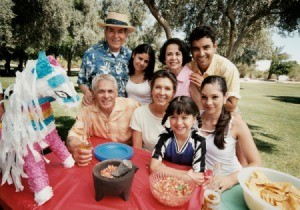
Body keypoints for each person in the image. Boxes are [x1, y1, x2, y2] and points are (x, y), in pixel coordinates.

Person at [199, 75, 262, 191]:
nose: (208, 102)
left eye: (214, 97)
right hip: (204, 184)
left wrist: (231, 179)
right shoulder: (193, 119)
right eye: (204, 97)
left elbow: (256, 163)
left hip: (231, 185)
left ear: (225, 97)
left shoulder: (236, 124)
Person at [67, 74, 140, 166]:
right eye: (101, 91)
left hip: (128, 158)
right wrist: (76, 150)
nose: (106, 96)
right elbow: (74, 135)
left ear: (116, 93)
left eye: (110, 91)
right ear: (94, 93)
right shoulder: (87, 111)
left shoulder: (131, 106)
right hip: (100, 160)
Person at [78, 12, 135, 106]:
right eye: (111, 31)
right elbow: (82, 81)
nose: (116, 36)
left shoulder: (131, 57)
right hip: (96, 111)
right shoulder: (91, 53)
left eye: (120, 31)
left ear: (126, 35)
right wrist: (87, 93)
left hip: (123, 113)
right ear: (105, 32)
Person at [150, 96, 206, 185]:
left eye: (184, 117)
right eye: (173, 117)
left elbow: (197, 177)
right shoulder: (165, 136)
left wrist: (163, 169)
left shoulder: (199, 141)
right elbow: (153, 167)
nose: (179, 122)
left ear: (194, 119)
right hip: (165, 183)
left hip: (184, 186)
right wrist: (185, 175)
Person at [188, 26, 240, 112]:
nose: (201, 54)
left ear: (215, 46)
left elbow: (231, 106)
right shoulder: (189, 67)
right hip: (199, 116)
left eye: (206, 47)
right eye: (196, 49)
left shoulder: (228, 69)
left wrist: (205, 88)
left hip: (224, 116)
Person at [130, 70, 177, 151]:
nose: (162, 93)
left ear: (173, 93)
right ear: (151, 90)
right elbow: (137, 150)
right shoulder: (139, 113)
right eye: (158, 87)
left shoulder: (179, 115)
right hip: (146, 160)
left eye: (167, 89)